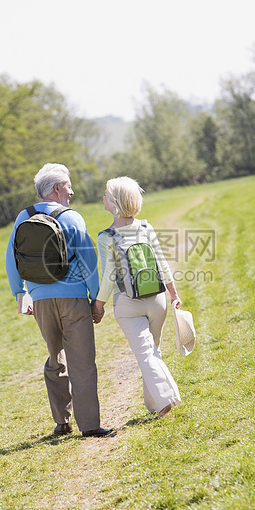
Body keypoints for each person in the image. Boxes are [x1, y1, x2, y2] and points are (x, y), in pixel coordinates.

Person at [5, 163, 115, 438]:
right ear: (57, 188)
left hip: (40, 300)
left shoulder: (23, 217)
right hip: (73, 298)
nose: (72, 190)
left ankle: (62, 422)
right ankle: (89, 425)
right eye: (68, 185)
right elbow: (89, 261)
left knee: (56, 357)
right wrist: (94, 299)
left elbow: (12, 260)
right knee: (82, 362)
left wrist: (21, 294)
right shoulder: (71, 217)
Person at [92, 177, 181, 419]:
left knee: (144, 352)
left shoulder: (106, 236)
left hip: (127, 303)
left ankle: (167, 399)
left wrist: (98, 305)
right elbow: (162, 263)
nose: (103, 197)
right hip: (157, 299)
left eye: (106, 194)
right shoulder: (146, 228)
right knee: (153, 351)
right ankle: (154, 405)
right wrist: (173, 294)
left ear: (114, 203)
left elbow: (109, 276)